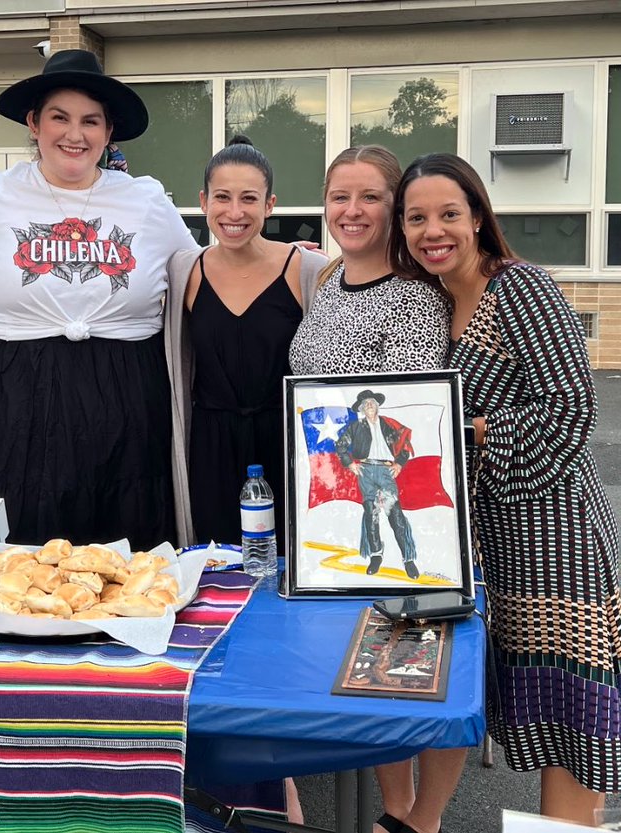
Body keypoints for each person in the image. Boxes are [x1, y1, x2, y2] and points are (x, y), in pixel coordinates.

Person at [392, 152, 621, 827]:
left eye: (448, 214)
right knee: (543, 710)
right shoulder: (438, 298)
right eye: (416, 218)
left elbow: (574, 406)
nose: (433, 230)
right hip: (502, 539)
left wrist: (474, 430)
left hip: (559, 537)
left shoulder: (516, 286)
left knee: (573, 728)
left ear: (478, 217)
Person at [0, 48, 197, 550]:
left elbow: (201, 275)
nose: (76, 134)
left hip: (127, 397)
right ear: (33, 123)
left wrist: (278, 259)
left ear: (109, 133)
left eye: (91, 121)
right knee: (18, 548)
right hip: (14, 395)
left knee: (123, 548)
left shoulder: (146, 201)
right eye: (60, 118)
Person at [290, 146, 463, 833]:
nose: (351, 211)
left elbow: (411, 414)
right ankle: (392, 809)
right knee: (371, 663)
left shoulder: (416, 299)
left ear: (394, 206)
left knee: (425, 664)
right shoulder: (326, 280)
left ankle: (424, 819)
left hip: (395, 494)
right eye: (339, 197)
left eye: (368, 197)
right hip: (337, 501)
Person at [165, 135, 327, 547]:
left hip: (288, 444)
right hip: (210, 448)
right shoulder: (184, 270)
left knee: (295, 561)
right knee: (217, 565)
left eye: (249, 199)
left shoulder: (306, 269)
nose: (234, 212)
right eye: (222, 197)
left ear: (270, 205)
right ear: (203, 201)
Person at [334, 389, 419, 578]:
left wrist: (399, 463)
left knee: (395, 513)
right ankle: (376, 555)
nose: (369, 405)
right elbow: (340, 446)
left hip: (385, 470)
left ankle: (408, 558)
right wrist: (350, 464)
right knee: (370, 513)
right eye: (365, 404)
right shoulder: (356, 427)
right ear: (362, 409)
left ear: (377, 405)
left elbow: (404, 444)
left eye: (372, 402)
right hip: (365, 470)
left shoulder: (389, 426)